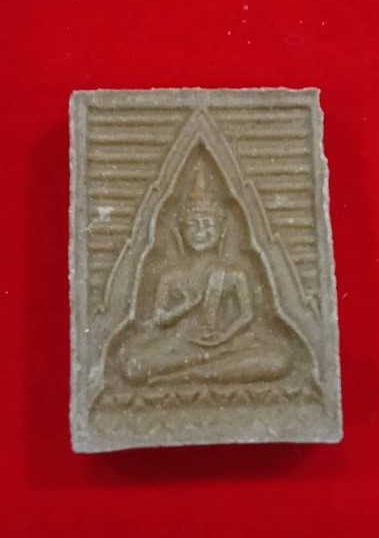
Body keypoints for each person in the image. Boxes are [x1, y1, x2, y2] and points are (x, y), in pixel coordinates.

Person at [115, 165, 292, 387]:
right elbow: (160, 320)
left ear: (222, 230)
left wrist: (225, 336)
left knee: (278, 359)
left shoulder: (233, 274)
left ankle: (188, 375)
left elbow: (246, 316)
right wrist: (187, 306)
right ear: (179, 231)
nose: (200, 231)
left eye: (208, 224)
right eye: (193, 224)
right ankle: (206, 371)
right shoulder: (171, 277)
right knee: (134, 365)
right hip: (180, 345)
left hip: (227, 345)